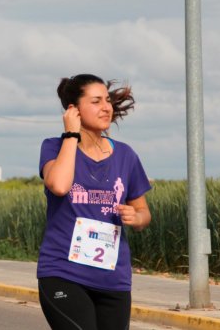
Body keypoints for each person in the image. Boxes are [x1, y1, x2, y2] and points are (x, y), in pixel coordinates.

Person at [37, 74, 152, 330]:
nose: (106, 107)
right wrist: (71, 134)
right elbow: (58, 185)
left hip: (113, 279)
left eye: (108, 100)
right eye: (96, 101)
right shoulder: (54, 147)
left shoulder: (126, 155)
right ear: (74, 110)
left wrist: (136, 217)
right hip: (64, 273)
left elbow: (144, 213)